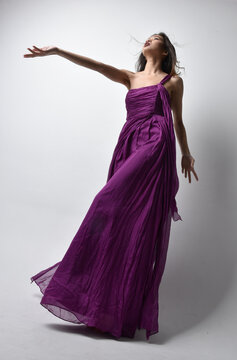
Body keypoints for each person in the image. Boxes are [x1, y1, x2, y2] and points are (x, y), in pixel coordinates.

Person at [24, 32, 199, 341]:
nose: (148, 39)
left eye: (155, 38)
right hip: (128, 144)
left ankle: (100, 298)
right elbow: (96, 65)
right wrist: (58, 50)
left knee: (105, 201)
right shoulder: (130, 76)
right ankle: (103, 304)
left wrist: (186, 153)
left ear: (166, 49)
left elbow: (178, 121)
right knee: (118, 218)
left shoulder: (173, 82)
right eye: (147, 37)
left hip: (155, 145)